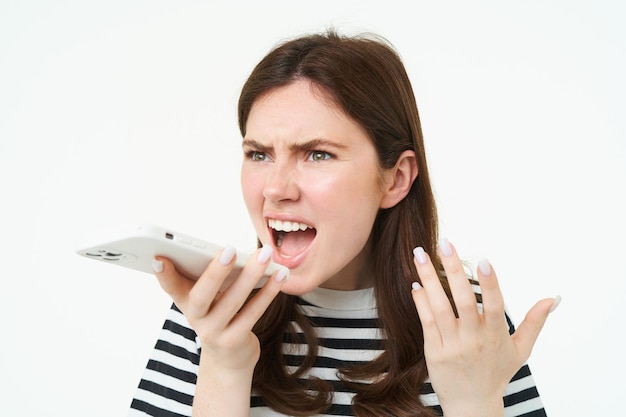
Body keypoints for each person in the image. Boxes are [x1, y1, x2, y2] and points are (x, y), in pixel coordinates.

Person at [128, 30, 560, 417]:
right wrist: (224, 365)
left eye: (318, 154)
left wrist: (474, 404)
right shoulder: (214, 309)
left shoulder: (465, 318)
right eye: (259, 154)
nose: (276, 189)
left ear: (396, 179)